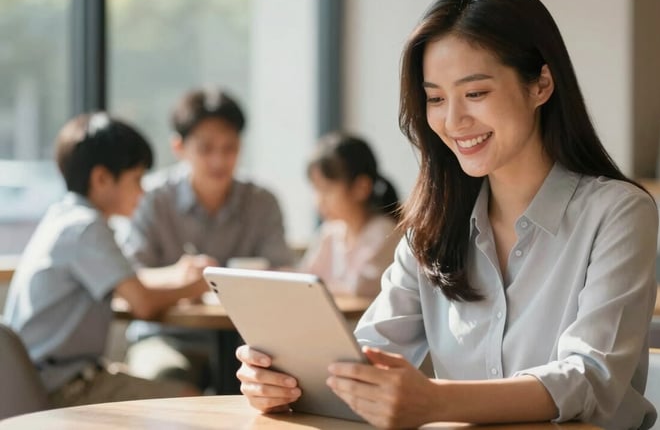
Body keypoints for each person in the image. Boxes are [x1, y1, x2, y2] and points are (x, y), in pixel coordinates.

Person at [235, 0, 658, 429]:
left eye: (475, 93)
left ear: (541, 84)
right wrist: (285, 380)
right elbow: (360, 363)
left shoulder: (617, 212)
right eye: (435, 98)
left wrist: (437, 402)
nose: (453, 121)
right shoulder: (430, 227)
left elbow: (590, 378)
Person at [2, 112, 207, 408]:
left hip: (36, 382)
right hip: (64, 388)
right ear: (101, 179)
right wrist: (199, 286)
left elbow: (126, 282)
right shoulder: (88, 228)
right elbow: (142, 302)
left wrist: (176, 275)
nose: (142, 191)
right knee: (193, 403)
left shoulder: (64, 218)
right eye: (136, 179)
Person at [119, 87, 295, 390]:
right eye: (206, 149)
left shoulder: (262, 201)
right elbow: (130, 278)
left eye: (230, 148)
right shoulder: (152, 199)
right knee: (163, 379)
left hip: (249, 339)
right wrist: (177, 276)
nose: (219, 160)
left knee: (286, 380)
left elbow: (283, 273)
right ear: (179, 147)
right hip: (166, 334)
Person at [298, 132, 402, 298]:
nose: (319, 200)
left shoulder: (384, 232)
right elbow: (303, 280)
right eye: (315, 190)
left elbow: (363, 290)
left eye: (326, 189)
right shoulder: (331, 231)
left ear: (361, 187)